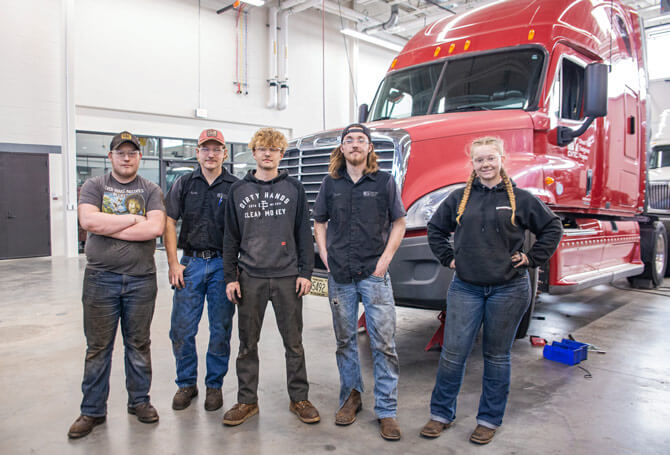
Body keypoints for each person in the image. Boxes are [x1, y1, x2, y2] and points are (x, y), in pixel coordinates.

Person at [420, 136, 562, 444]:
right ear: (472, 164)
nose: (485, 164)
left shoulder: (519, 199)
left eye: (490, 158)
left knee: (497, 356)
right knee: (453, 354)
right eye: (479, 159)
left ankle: (488, 419)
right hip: (466, 288)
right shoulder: (460, 198)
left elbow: (552, 227)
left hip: (508, 289)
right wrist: (448, 258)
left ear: (501, 160)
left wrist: (532, 258)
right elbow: (435, 229)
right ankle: (441, 414)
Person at [68, 131, 166, 439]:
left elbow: (156, 228)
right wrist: (134, 220)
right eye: (120, 152)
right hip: (100, 279)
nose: (126, 157)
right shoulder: (95, 186)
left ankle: (139, 401)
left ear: (139, 157)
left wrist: (111, 224)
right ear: (110, 156)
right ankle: (92, 410)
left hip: (141, 280)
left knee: (138, 344)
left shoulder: (151, 189)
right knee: (98, 347)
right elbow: (89, 223)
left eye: (132, 153)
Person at [313, 123, 407, 441]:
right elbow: (319, 222)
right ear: (342, 148)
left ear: (369, 148)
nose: (355, 145)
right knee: (345, 342)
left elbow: (399, 222)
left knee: (384, 343)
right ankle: (351, 398)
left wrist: (384, 262)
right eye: (349, 140)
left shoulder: (384, 182)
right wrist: (324, 255)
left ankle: (386, 410)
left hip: (374, 275)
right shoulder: (331, 183)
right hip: (340, 275)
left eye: (361, 140)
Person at [222, 127, 319, 426]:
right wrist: (231, 277)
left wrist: (306, 272)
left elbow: (304, 233)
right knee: (247, 344)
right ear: (253, 153)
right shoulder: (237, 191)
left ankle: (299, 399)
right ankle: (246, 401)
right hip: (250, 277)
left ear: (280, 154)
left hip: (288, 277)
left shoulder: (295, 189)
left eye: (273, 149)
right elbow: (229, 238)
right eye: (262, 148)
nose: (267, 153)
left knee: (294, 343)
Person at [164, 128, 238, 412]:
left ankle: (214, 386)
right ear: (197, 152)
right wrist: (173, 263)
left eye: (216, 148)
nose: (210, 154)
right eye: (205, 148)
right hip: (190, 264)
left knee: (220, 329)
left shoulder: (235, 186)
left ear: (224, 153)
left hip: (222, 265)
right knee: (181, 329)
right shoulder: (183, 184)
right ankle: (186, 384)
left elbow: (242, 231)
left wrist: (234, 270)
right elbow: (169, 221)